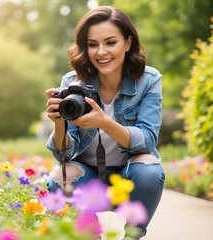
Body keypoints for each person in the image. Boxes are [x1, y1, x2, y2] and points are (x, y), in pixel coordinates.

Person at [44, 6, 165, 239]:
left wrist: (104, 122)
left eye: (110, 42)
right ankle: (88, 234)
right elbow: (63, 155)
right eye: (92, 44)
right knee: (60, 176)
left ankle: (133, 235)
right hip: (87, 177)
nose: (101, 52)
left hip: (129, 176)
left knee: (149, 171)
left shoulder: (148, 80)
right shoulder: (72, 82)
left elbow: (147, 141)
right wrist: (59, 123)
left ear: (128, 43)